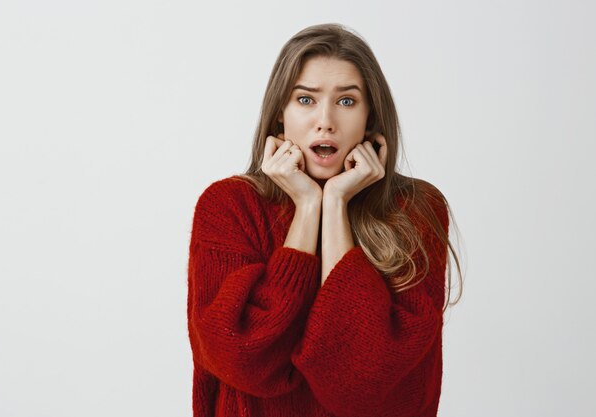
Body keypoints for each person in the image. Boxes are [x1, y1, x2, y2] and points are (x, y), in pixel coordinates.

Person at [187, 23, 463, 417]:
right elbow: (242, 358)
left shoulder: (416, 210)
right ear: (279, 117)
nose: (326, 120)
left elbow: (358, 382)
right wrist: (307, 207)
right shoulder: (229, 206)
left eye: (347, 102)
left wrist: (334, 205)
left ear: (371, 119)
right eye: (305, 99)